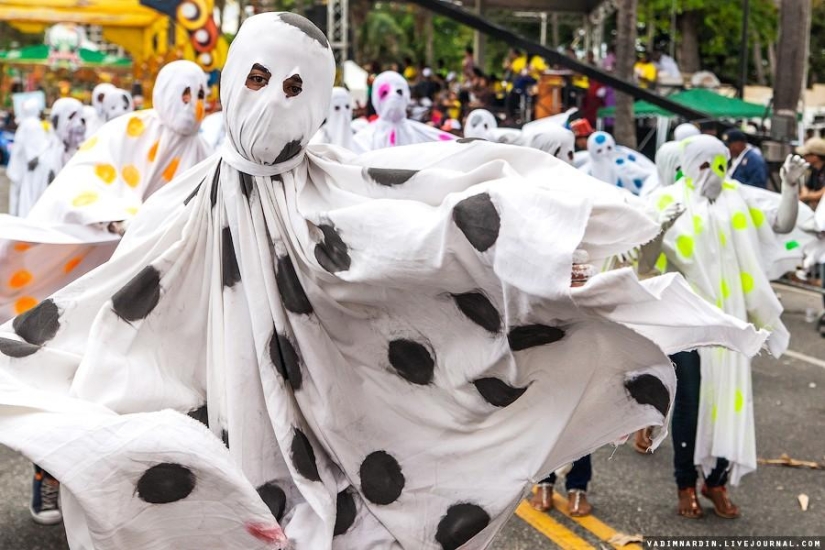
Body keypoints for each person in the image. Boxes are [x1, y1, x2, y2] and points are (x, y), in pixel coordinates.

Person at [0, 13, 769, 549]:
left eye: (294, 88)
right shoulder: (179, 202)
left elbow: (427, 225)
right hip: (205, 413)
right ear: (230, 74)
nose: (270, 102)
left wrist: (540, 258)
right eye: (258, 77)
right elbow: (118, 300)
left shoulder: (337, 188)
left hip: (331, 433)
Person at [647, 136, 806, 519]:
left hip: (731, 320)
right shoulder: (665, 200)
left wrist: (789, 187)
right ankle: (685, 484)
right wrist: (658, 234)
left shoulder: (738, 197)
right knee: (690, 403)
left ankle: (715, 481)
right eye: (704, 164)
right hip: (687, 321)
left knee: (732, 402)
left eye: (720, 164)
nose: (714, 174)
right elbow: (642, 265)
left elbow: (782, 224)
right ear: (687, 164)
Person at [0, 60, 211, 324]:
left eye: (200, 94)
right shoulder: (131, 128)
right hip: (113, 245)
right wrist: (119, 217)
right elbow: (88, 174)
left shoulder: (205, 151)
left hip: (167, 260)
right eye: (185, 93)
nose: (192, 102)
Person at [352, 70, 455, 151]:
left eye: (399, 91)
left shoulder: (420, 133)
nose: (393, 96)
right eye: (385, 93)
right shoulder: (364, 138)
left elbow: (451, 147)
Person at [5, 98, 53, 217]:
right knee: (25, 199)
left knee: (16, 199)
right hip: (26, 169)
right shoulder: (33, 124)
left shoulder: (25, 122)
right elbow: (35, 150)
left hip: (18, 168)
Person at [796, 136, 825, 210]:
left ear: (815, 156)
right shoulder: (815, 169)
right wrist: (805, 193)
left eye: (806, 155)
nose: (804, 157)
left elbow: (823, 192)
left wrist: (806, 196)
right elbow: (807, 185)